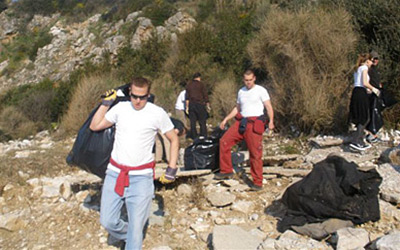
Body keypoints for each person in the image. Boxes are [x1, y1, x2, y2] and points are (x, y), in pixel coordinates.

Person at [89, 77, 179, 249]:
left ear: (148, 95)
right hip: (115, 173)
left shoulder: (157, 112)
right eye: (135, 96)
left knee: (136, 230)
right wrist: (105, 104)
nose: (138, 101)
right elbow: (95, 126)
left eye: (142, 97)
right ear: (130, 92)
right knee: (108, 220)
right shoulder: (120, 108)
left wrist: (172, 168)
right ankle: (131, 234)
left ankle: (134, 237)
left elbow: (173, 139)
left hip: (141, 179)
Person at [214, 69, 275, 191]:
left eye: (250, 80)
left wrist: (271, 121)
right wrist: (226, 119)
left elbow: (268, 106)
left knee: (255, 153)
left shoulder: (261, 90)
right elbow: (237, 109)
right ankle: (226, 171)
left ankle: (257, 182)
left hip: (254, 123)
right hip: (242, 122)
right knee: (224, 141)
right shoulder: (241, 91)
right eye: (246, 80)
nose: (248, 82)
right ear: (243, 80)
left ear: (254, 79)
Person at [349, 53, 381, 151]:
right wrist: (374, 89)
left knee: (361, 116)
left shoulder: (357, 69)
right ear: (367, 60)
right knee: (365, 117)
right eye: (371, 60)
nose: (372, 63)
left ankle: (359, 141)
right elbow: (365, 82)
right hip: (360, 93)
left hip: (357, 91)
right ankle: (356, 141)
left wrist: (368, 90)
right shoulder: (364, 68)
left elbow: (358, 83)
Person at [185, 72, 210, 139]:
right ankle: (204, 135)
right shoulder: (201, 84)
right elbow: (205, 95)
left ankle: (194, 136)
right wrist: (207, 104)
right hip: (200, 104)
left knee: (192, 122)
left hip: (191, 105)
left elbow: (187, 97)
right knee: (202, 121)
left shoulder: (189, 85)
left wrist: (187, 107)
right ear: (199, 77)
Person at [366, 51, 383, 143]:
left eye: (377, 59)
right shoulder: (368, 69)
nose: (375, 60)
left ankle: (373, 134)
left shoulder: (376, 69)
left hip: (376, 93)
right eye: (374, 58)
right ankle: (371, 134)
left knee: (375, 114)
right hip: (371, 93)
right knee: (372, 113)